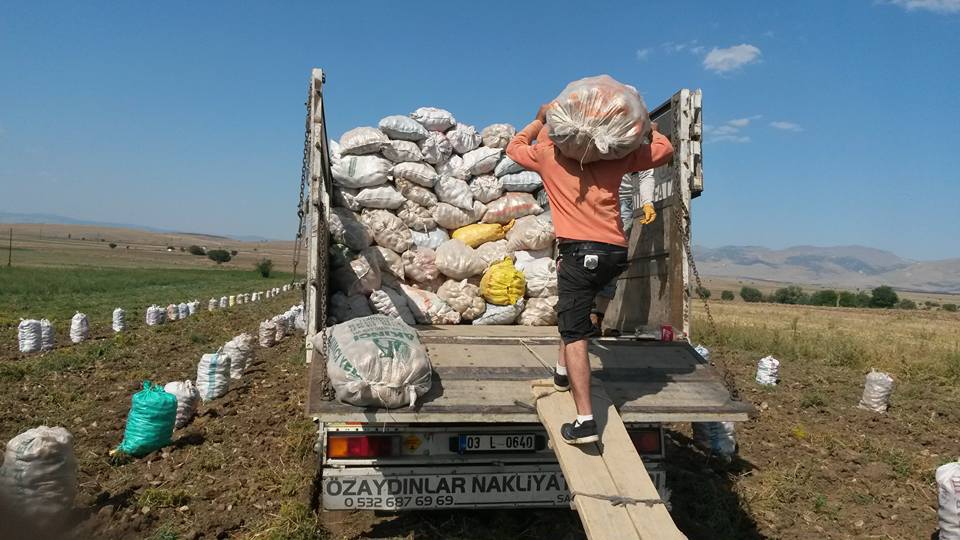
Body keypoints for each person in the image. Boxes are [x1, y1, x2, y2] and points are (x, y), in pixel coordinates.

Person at [506, 105, 674, 445]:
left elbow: (514, 146)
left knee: (575, 332)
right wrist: (650, 128)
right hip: (614, 253)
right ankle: (562, 372)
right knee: (575, 314)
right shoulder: (615, 157)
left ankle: (585, 421)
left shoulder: (547, 157)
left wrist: (539, 119)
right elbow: (665, 150)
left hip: (580, 255)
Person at [592, 169, 656, 330]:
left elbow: (646, 173)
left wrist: (647, 202)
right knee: (589, 259)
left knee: (613, 263)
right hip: (592, 199)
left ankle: (597, 318)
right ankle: (584, 314)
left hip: (622, 203)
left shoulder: (639, 144)